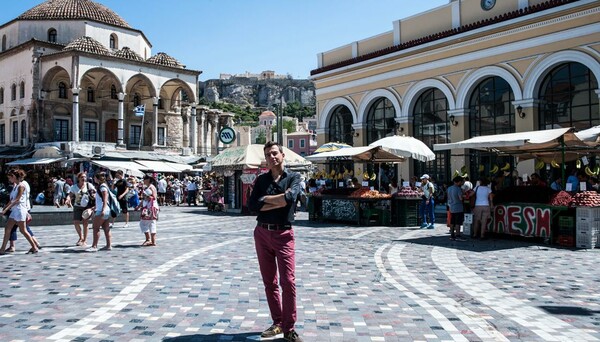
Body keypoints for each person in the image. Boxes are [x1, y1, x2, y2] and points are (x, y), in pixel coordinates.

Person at [248, 141, 303, 342]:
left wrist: (266, 200)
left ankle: (289, 328)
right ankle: (278, 322)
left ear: (282, 155)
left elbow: (290, 199)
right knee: (269, 282)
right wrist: (278, 200)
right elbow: (252, 206)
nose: (272, 157)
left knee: (288, 282)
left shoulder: (294, 177)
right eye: (268, 155)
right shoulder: (261, 180)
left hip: (284, 234)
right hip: (262, 233)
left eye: (274, 153)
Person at [0, 169, 38, 255]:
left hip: (20, 210)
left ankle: (34, 246)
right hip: (15, 210)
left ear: (13, 177)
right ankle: (2, 248)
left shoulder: (21, 186)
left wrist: (6, 209)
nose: (9, 179)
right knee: (8, 228)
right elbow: (12, 199)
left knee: (23, 230)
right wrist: (5, 207)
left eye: (10, 177)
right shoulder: (15, 186)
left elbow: (17, 199)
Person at [65, 172, 95, 247]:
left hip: (86, 207)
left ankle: (84, 240)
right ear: (78, 178)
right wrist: (68, 199)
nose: (83, 178)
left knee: (85, 223)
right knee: (76, 222)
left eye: (85, 177)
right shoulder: (74, 187)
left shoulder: (89, 185)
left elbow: (95, 193)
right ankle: (81, 237)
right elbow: (70, 195)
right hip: (77, 206)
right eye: (82, 177)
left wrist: (93, 197)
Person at [86, 172, 112, 252]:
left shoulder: (102, 187)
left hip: (102, 210)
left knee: (96, 228)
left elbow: (105, 199)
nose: (93, 179)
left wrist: (103, 209)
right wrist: (94, 207)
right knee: (106, 228)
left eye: (94, 178)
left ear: (97, 178)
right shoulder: (103, 186)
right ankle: (108, 245)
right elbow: (100, 200)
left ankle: (94, 246)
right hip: (104, 209)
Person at [138, 175, 159, 247]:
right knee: (152, 223)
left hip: (150, 208)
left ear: (148, 180)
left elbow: (154, 197)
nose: (143, 180)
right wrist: (139, 205)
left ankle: (148, 239)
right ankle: (153, 241)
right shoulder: (150, 187)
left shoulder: (151, 187)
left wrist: (147, 196)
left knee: (143, 223)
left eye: (144, 179)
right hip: (152, 207)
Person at [447, 176, 466, 241]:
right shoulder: (458, 189)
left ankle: (452, 234)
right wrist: (464, 196)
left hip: (452, 207)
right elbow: (460, 198)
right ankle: (458, 234)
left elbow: (449, 197)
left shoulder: (449, 188)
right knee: (458, 222)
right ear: (459, 182)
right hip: (458, 207)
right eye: (461, 182)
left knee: (452, 221)